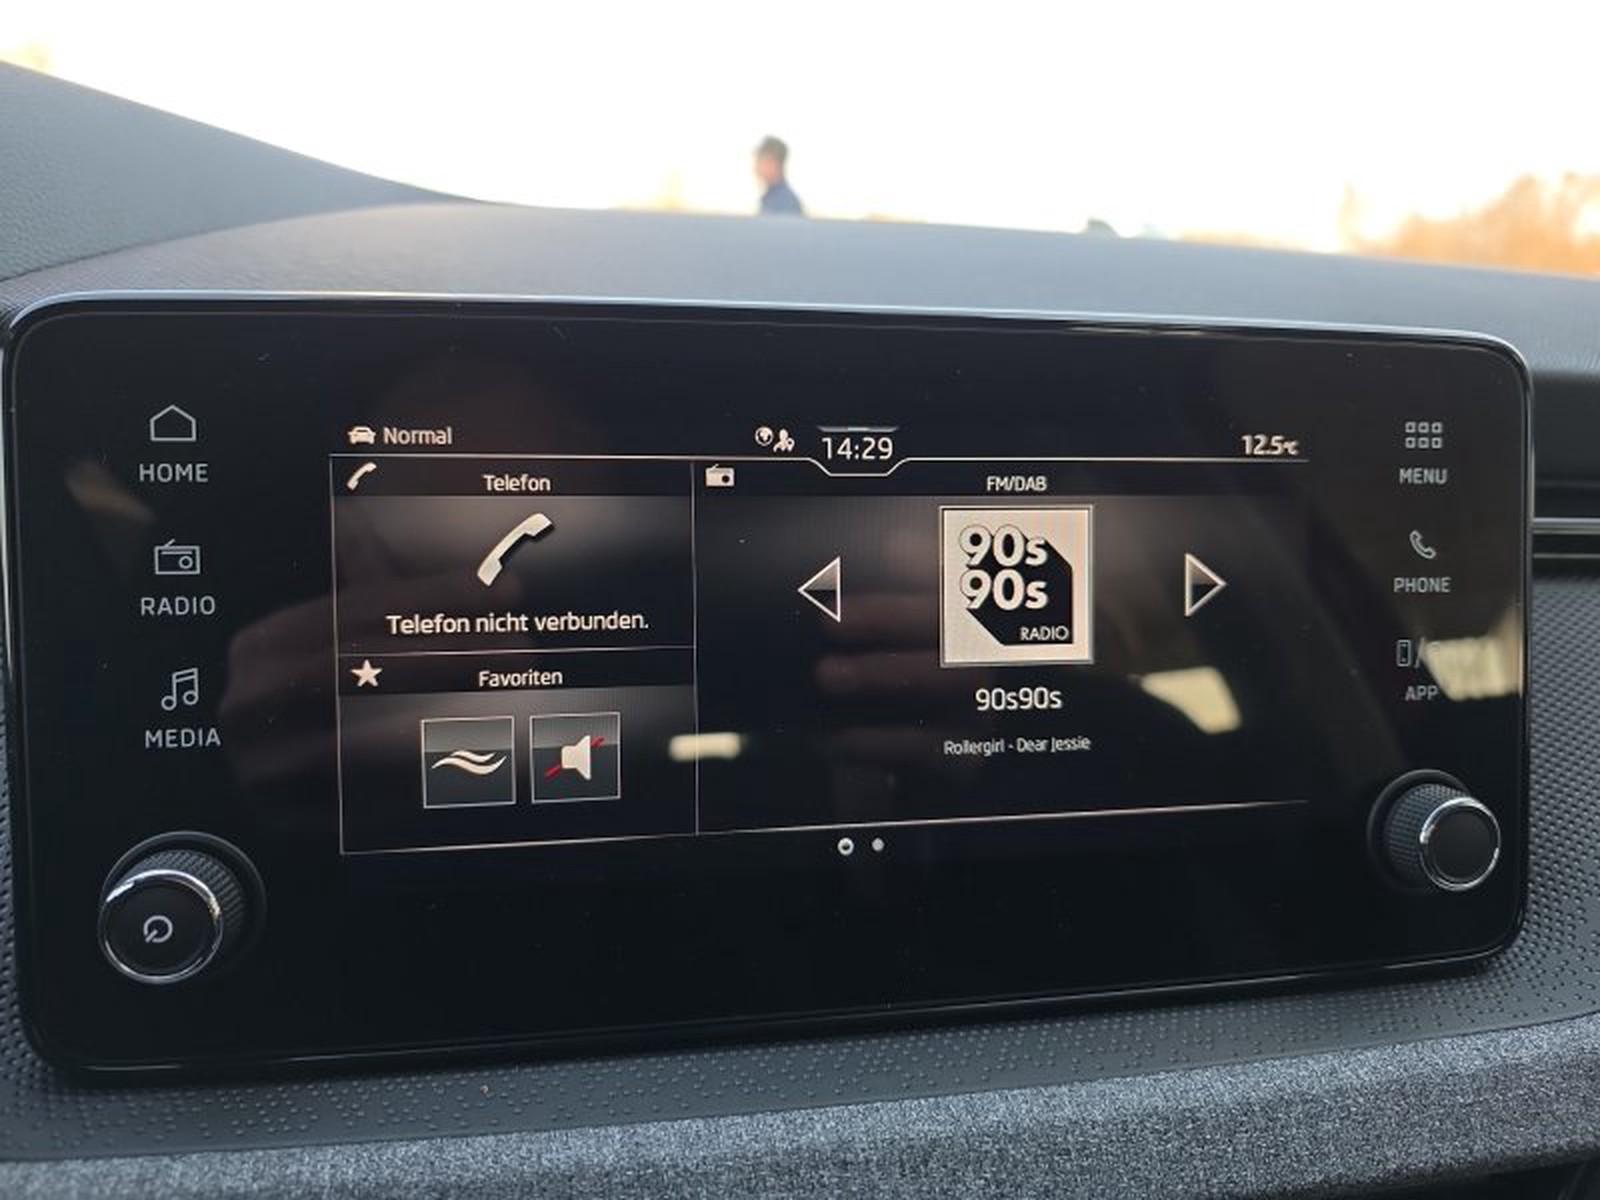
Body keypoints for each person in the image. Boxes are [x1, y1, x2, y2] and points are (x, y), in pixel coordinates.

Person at [754, 135, 804, 216]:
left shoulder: (784, 201)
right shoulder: (772, 198)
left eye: (759, 161)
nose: (756, 167)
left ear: (773, 163)